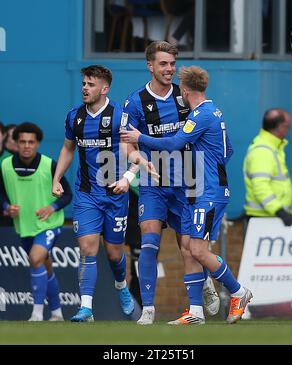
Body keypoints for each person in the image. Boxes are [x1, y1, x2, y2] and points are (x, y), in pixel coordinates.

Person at [122, 65, 253, 324]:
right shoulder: (213, 111)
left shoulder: (201, 114)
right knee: (193, 249)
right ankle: (195, 312)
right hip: (201, 190)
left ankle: (239, 292)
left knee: (198, 250)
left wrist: (140, 137)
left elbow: (173, 143)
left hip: (208, 192)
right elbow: (228, 151)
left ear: (184, 90)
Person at [122, 41, 220, 325]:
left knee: (189, 247)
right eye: (163, 64)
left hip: (187, 183)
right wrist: (139, 163)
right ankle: (149, 309)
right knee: (149, 241)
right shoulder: (134, 102)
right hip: (153, 184)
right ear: (150, 66)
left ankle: (204, 285)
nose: (169, 69)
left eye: (172, 64)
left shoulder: (185, 96)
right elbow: (128, 145)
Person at [52, 65, 156, 322]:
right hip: (86, 194)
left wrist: (128, 176)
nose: (85, 88)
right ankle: (86, 308)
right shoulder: (74, 116)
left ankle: (121, 286)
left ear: (104, 88)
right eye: (84, 83)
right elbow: (68, 149)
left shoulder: (120, 115)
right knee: (88, 248)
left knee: (113, 253)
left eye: (90, 84)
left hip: (114, 194)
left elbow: (133, 151)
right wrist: (57, 179)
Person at [0, 122, 72, 321]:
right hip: (24, 226)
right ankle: (57, 313)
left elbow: (67, 195)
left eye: (31, 142)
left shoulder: (50, 165)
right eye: (22, 141)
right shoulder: (4, 166)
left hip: (49, 224)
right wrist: (6, 206)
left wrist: (52, 208)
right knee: (45, 267)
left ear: (38, 143)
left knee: (35, 258)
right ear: (15, 142)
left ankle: (37, 313)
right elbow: (1, 194)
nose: (26, 145)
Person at [243, 108, 292, 226]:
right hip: (266, 219)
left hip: (270, 217)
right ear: (280, 127)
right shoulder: (263, 151)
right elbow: (260, 186)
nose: (288, 131)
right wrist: (279, 210)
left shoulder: (271, 147)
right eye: (287, 127)